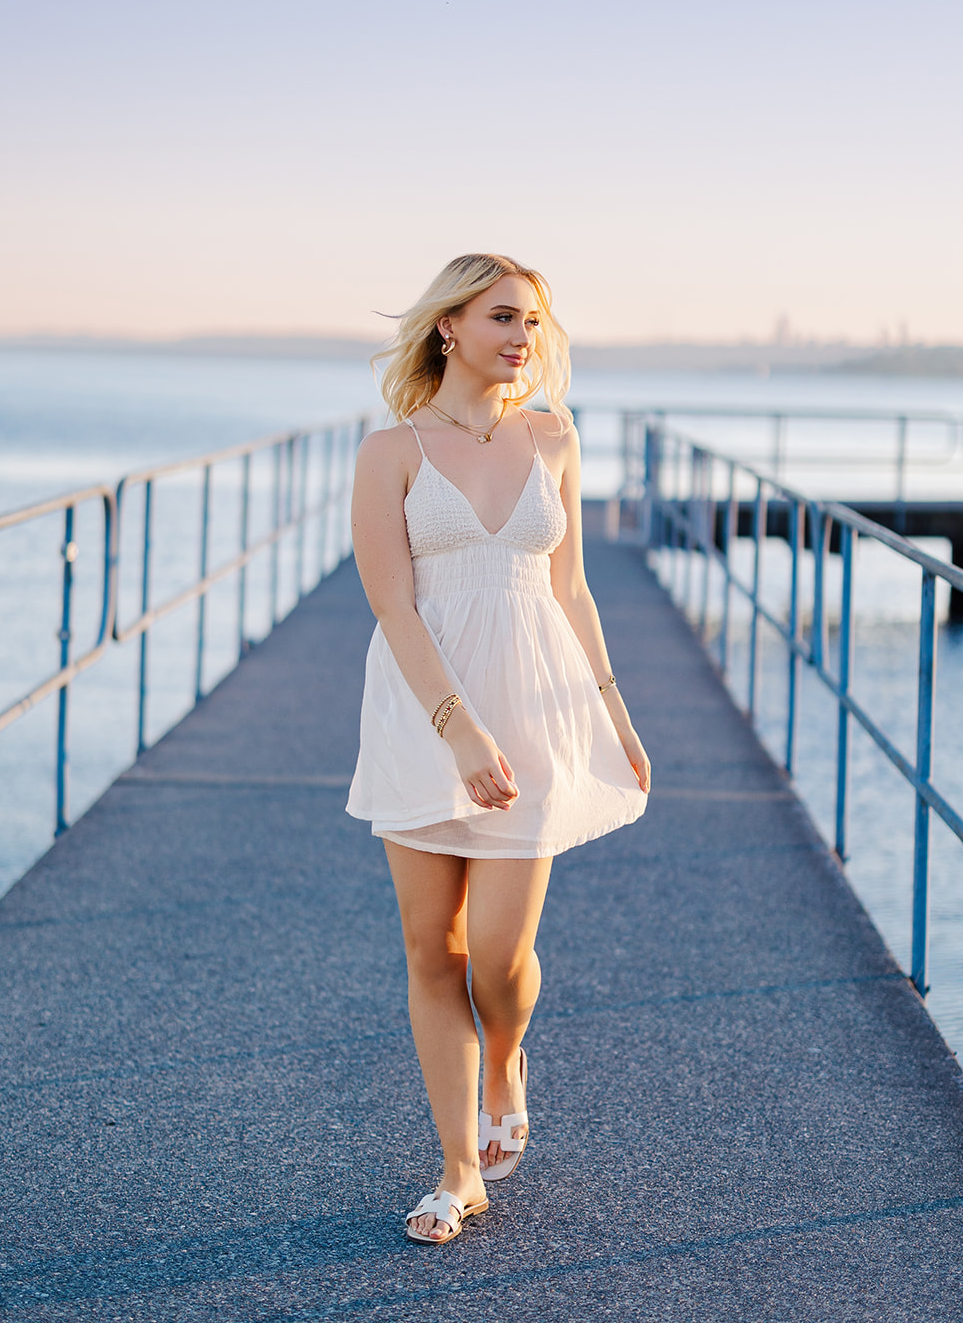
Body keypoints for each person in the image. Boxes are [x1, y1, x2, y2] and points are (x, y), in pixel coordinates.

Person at [347, 254, 651, 1246]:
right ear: (448, 327)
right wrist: (455, 729)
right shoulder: (390, 450)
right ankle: (453, 1171)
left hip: (535, 705)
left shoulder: (552, 435)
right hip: (423, 711)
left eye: (532, 320)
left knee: (496, 957)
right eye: (502, 316)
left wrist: (613, 707)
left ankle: (507, 1056)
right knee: (429, 948)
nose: (523, 336)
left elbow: (568, 587)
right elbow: (391, 602)